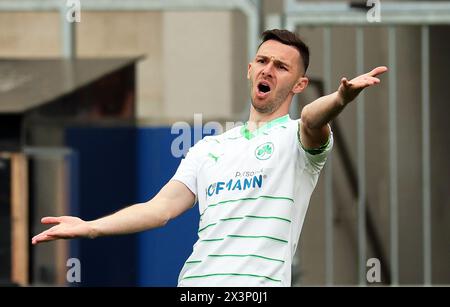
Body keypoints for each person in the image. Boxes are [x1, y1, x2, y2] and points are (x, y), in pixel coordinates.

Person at [32, 29, 387, 287]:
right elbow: (159, 211)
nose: (268, 69)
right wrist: (90, 227)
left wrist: (340, 98)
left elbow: (312, 117)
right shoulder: (208, 149)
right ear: (249, 69)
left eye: (281, 67)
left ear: (298, 83)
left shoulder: (297, 139)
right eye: (262, 61)